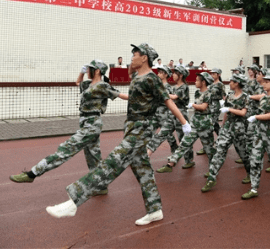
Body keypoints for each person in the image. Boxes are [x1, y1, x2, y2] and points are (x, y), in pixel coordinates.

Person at [45, 43, 191, 226]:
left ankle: (75, 200)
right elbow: (133, 81)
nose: (131, 57)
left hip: (141, 129)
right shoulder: (137, 76)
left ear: (144, 57)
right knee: (143, 170)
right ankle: (154, 210)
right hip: (131, 126)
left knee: (113, 162)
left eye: (135, 54)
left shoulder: (151, 79)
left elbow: (167, 100)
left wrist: (184, 123)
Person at [10, 60, 128, 186]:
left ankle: (32, 174)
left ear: (98, 71)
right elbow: (78, 82)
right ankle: (101, 185)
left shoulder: (103, 86)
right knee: (93, 157)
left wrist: (145, 97)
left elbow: (122, 95)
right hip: (85, 122)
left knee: (65, 149)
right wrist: (81, 73)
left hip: (92, 124)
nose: (87, 70)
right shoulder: (88, 84)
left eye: (89, 69)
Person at [202, 74, 251, 192]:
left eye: (232, 81)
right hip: (228, 127)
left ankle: (251, 173)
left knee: (244, 154)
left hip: (239, 129)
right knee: (219, 151)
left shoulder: (245, 97)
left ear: (237, 83)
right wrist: (223, 125)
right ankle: (212, 178)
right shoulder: (229, 96)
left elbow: (243, 113)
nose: (230, 83)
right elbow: (226, 114)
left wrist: (229, 109)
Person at [161, 72, 216, 176]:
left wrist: (193, 105)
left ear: (203, 82)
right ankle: (170, 164)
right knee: (184, 143)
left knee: (209, 150)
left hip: (205, 124)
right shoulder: (197, 93)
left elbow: (204, 107)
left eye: (197, 80)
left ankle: (213, 170)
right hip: (195, 122)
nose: (195, 82)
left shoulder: (209, 93)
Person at [151, 65, 193, 171]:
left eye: (175, 73)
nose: (173, 75)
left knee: (183, 138)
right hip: (172, 114)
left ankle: (189, 160)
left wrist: (161, 92)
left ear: (181, 75)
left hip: (180, 115)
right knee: (162, 134)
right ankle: (150, 155)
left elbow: (174, 97)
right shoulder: (175, 87)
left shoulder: (184, 87)